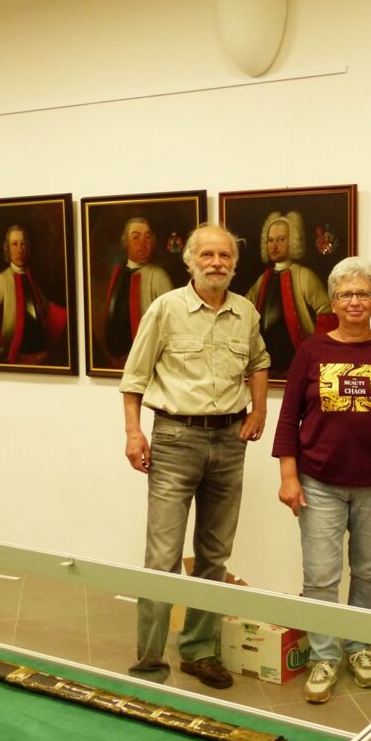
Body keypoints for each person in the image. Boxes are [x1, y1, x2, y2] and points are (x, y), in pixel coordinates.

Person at [119, 224, 269, 690]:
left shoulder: (245, 312)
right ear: (190, 261)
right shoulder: (165, 309)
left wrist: (259, 408)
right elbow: (134, 377)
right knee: (162, 555)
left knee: (214, 555)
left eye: (225, 256)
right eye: (207, 254)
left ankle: (200, 651)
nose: (217, 263)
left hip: (229, 443)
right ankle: (149, 660)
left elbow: (259, 363)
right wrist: (133, 433)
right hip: (175, 439)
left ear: (234, 264)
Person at [272, 257, 371, 704]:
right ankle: (324, 656)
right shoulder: (312, 351)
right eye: (345, 294)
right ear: (332, 302)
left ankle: (359, 647)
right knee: (320, 576)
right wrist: (288, 476)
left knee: (370, 572)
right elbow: (289, 416)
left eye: (363, 293)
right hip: (318, 482)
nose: (354, 301)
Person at [245, 211, 334, 377]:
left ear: (293, 241)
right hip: (266, 359)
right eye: (270, 240)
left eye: (281, 239)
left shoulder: (304, 275)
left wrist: (317, 353)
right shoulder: (263, 278)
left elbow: (327, 312)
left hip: (297, 357)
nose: (274, 245)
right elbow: (243, 306)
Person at [0, 224, 68, 365]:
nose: (20, 250)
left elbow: (46, 309)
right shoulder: (2, 278)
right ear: (7, 248)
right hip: (17, 353)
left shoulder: (30, 276)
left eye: (23, 244)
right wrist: (0, 347)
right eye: (14, 244)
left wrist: (70, 316)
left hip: (39, 352)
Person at [104, 217, 174, 363]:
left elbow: (170, 325)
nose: (143, 243)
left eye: (147, 237)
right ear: (126, 243)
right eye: (136, 237)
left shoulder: (158, 276)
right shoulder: (118, 272)